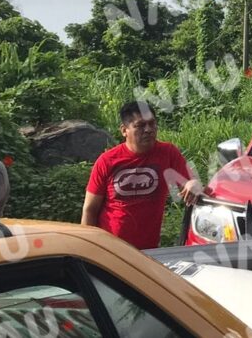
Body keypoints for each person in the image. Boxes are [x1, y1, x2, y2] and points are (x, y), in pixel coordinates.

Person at [82, 101, 201, 249]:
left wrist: (193, 184)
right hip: (111, 249)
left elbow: (191, 183)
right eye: (140, 125)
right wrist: (88, 248)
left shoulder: (168, 153)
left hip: (148, 250)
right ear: (124, 130)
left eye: (152, 124)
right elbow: (90, 209)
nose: (148, 130)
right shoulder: (107, 161)